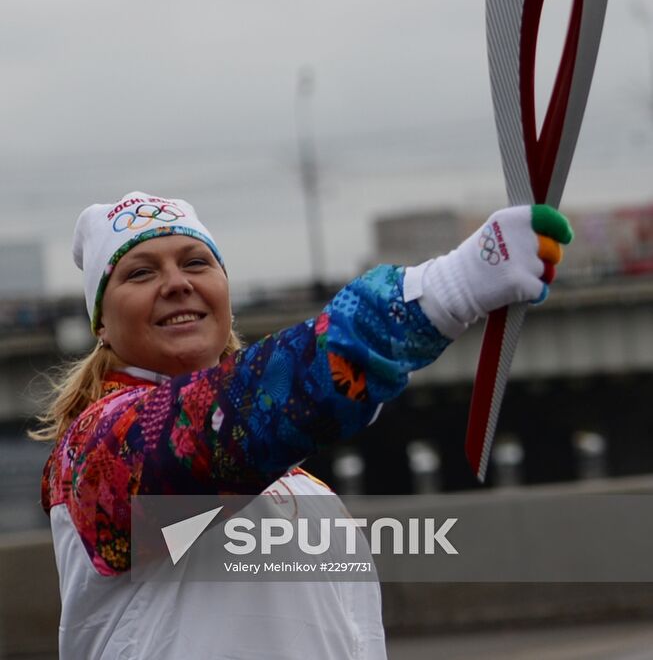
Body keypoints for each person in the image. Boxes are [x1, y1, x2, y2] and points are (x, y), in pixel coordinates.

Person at [33, 189, 572, 660]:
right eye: (141, 272)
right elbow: (231, 425)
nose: (176, 283)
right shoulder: (95, 456)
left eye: (196, 263)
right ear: (101, 321)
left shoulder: (299, 488)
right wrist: (444, 291)